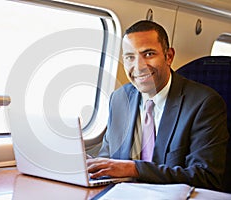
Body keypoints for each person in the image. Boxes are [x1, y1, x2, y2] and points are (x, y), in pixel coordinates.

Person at [86, 20, 229, 191]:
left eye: (148, 54)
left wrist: (135, 169)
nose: (139, 67)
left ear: (168, 56)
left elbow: (205, 176)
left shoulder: (203, 104)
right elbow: (108, 160)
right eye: (130, 57)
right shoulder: (119, 99)